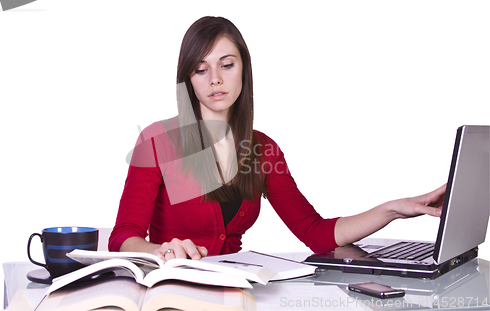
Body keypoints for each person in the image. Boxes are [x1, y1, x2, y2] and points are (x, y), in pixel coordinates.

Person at [108, 16, 445, 261]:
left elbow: (314, 232)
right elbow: (123, 236)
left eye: (226, 65)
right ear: (189, 79)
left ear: (243, 69)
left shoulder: (262, 150)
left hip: (235, 292)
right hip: (172, 292)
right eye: (201, 69)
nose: (215, 79)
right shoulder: (159, 141)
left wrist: (393, 209)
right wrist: (163, 251)